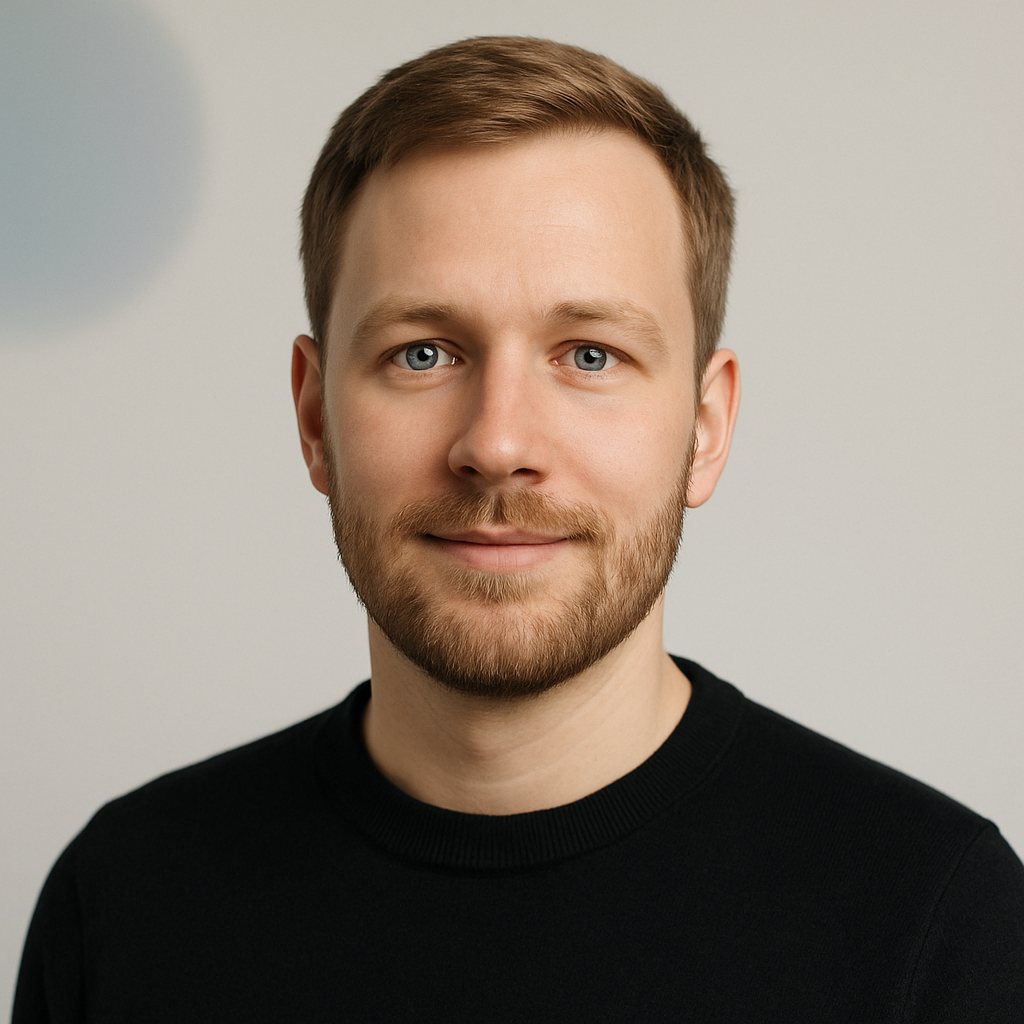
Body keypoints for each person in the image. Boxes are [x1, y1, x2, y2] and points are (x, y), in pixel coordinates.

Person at [13, 36, 1024, 1023]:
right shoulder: (126, 903)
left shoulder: (933, 920)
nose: (496, 444)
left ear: (705, 428)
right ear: (314, 416)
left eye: (588, 355)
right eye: (422, 354)